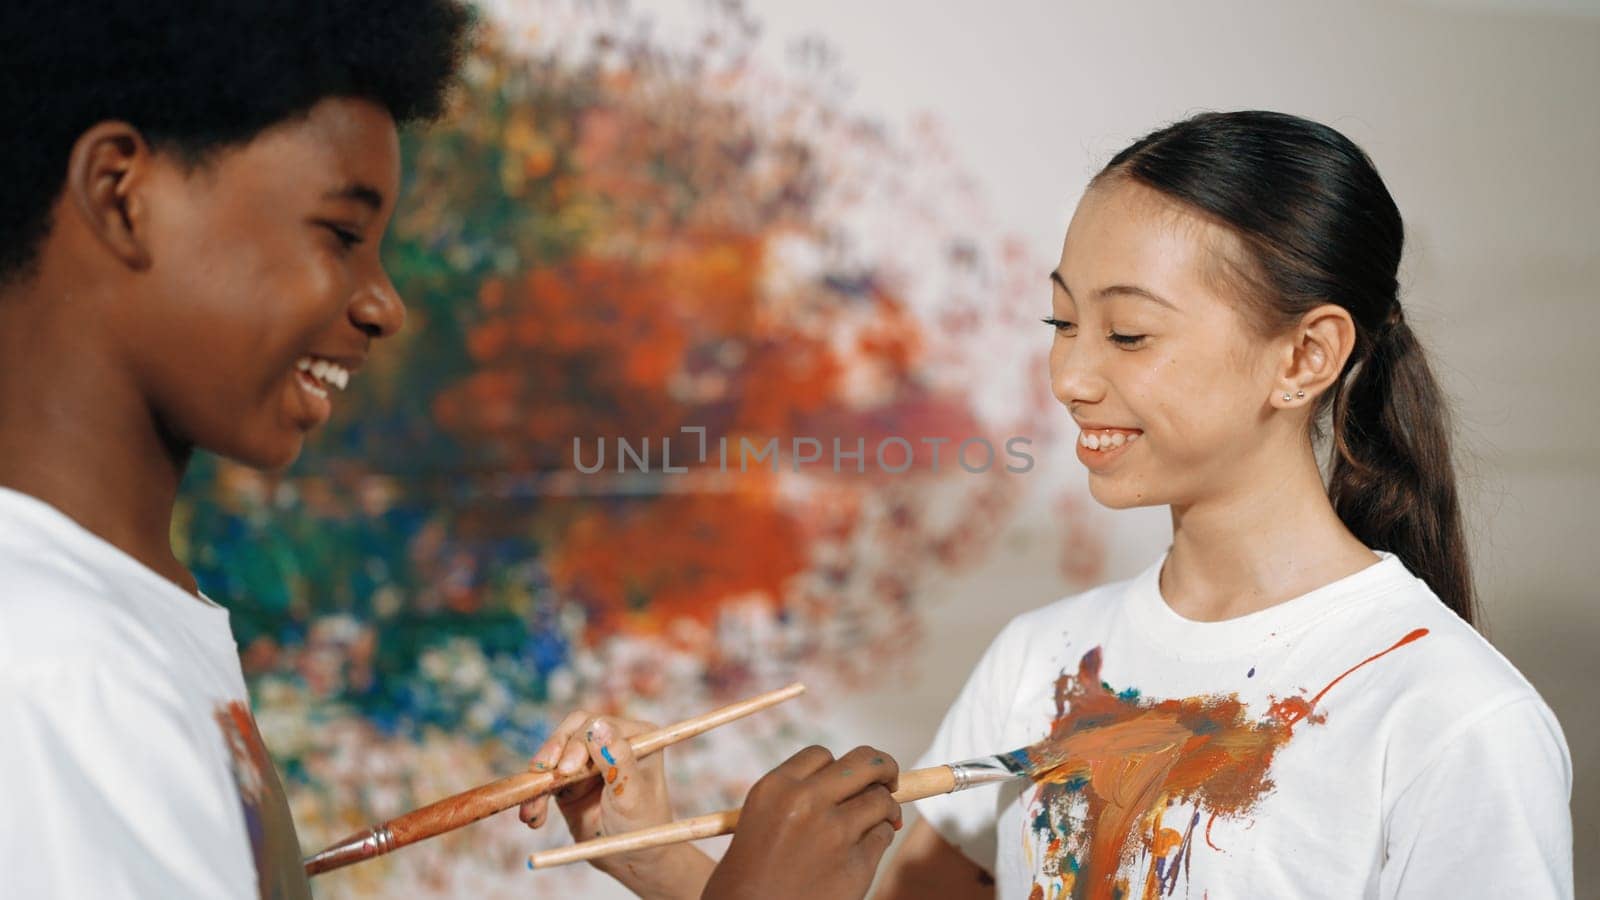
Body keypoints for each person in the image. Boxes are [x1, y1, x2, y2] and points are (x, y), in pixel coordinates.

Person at [0, 2, 900, 897]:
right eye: (342, 235)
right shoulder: (59, 664)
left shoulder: (125, 621)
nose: (383, 304)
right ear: (122, 194)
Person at [865, 111, 1574, 899]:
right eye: (1062, 322)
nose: (1070, 377)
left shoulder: (1453, 719)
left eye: (1128, 334)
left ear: (1306, 357)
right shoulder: (1037, 661)